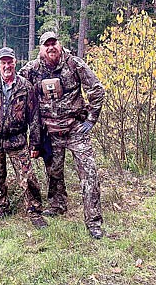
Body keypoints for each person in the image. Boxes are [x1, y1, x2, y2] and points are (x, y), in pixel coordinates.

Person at [18, 31, 105, 239]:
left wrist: (91, 119)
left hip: (76, 129)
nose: (51, 48)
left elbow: (96, 89)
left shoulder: (74, 64)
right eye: (46, 45)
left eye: (53, 43)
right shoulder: (32, 69)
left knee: (89, 172)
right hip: (51, 132)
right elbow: (15, 84)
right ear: (40, 48)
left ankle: (93, 221)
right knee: (54, 172)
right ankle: (58, 205)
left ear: (59, 44)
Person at [0, 47, 48, 229]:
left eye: (9, 62)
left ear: (15, 63)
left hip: (17, 141)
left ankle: (34, 211)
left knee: (28, 176)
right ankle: (0, 208)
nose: (7, 66)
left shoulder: (25, 87)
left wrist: (35, 143)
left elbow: (34, 117)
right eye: (3, 62)